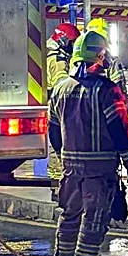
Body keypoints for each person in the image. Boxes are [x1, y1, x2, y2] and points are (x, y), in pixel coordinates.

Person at [48, 28, 128, 256]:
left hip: (70, 167)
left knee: (69, 213)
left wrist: (64, 155)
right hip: (99, 170)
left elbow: (53, 130)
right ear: (101, 56)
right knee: (95, 216)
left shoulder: (60, 89)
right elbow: (120, 130)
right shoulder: (107, 91)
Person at [45, 23, 81, 196]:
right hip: (58, 107)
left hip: (52, 104)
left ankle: (58, 186)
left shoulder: (49, 53)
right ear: (63, 40)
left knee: (57, 144)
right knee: (59, 146)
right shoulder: (58, 60)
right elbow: (63, 85)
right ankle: (60, 188)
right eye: (72, 43)